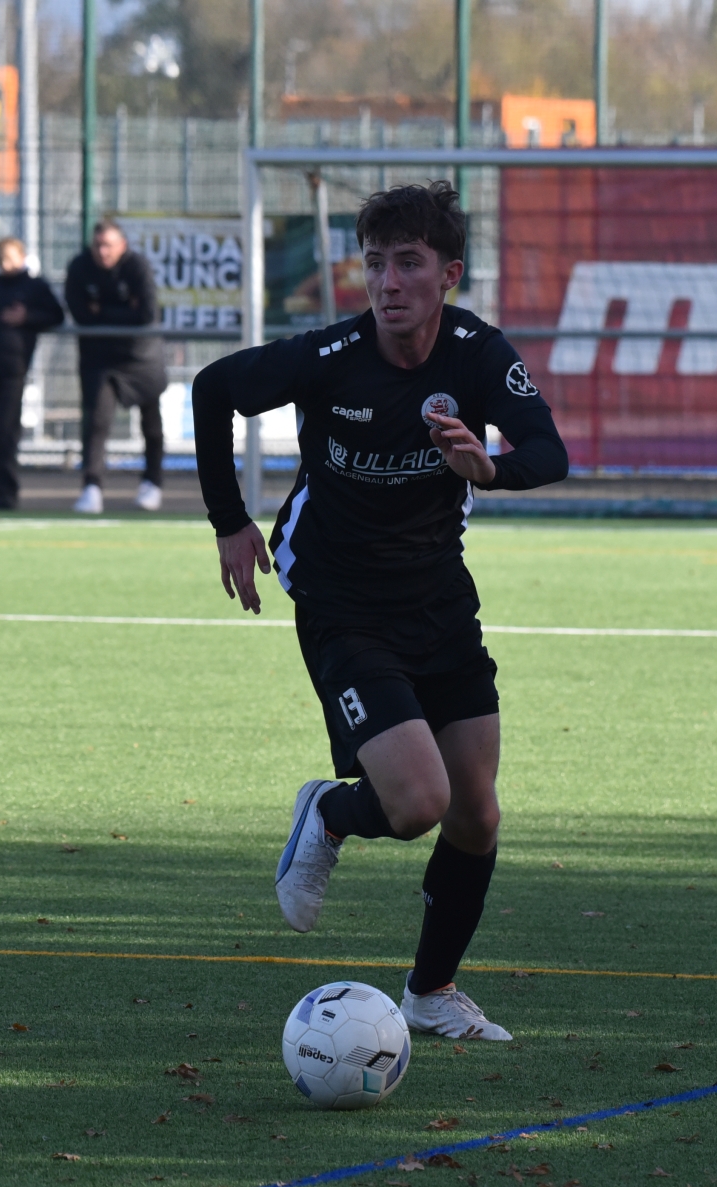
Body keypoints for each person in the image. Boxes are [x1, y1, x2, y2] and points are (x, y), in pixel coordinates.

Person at [192, 181, 569, 1041]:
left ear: (449, 274)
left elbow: (550, 452)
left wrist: (490, 469)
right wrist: (228, 521)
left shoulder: (477, 354)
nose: (388, 283)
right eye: (374, 264)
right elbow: (214, 389)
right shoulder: (332, 357)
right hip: (342, 598)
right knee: (417, 803)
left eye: (408, 263)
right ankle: (329, 812)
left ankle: (430, 994)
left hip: (437, 595)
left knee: (477, 813)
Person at [64, 221, 167, 513]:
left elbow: (146, 313)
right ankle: (92, 486)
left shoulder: (138, 267)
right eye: (98, 245)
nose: (102, 251)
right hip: (99, 359)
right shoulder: (80, 267)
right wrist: (123, 310)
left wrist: (103, 311)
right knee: (97, 422)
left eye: (108, 245)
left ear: (123, 245)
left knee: (151, 425)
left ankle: (152, 484)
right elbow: (80, 313)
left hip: (141, 356)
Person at [0, 237, 63, 510]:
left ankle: (7, 491)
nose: (5, 264)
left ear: (22, 256)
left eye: (10, 258)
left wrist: (27, 317)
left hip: (13, 367)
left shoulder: (35, 286)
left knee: (5, 430)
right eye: (1, 259)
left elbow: (56, 315)